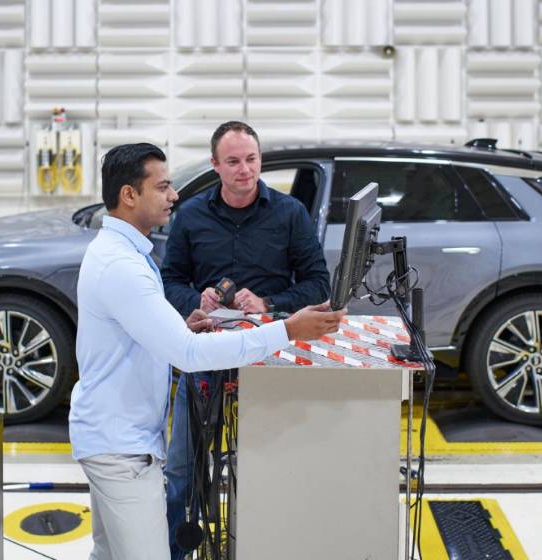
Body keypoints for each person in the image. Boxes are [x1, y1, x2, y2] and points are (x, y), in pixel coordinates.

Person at [70, 142, 344, 560]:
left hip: (113, 437)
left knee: (107, 555)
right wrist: (287, 329)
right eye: (162, 187)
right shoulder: (121, 266)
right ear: (129, 195)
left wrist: (180, 324)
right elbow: (190, 356)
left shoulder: (123, 253)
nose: (174, 195)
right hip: (120, 450)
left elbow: (144, 332)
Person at [160, 121, 331, 558]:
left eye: (251, 159)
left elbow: (317, 284)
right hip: (206, 354)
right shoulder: (191, 215)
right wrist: (192, 300)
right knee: (183, 468)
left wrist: (268, 303)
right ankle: (177, 551)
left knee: (269, 467)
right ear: (216, 165)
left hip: (268, 352)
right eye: (233, 161)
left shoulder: (290, 213)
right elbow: (169, 280)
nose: (244, 170)